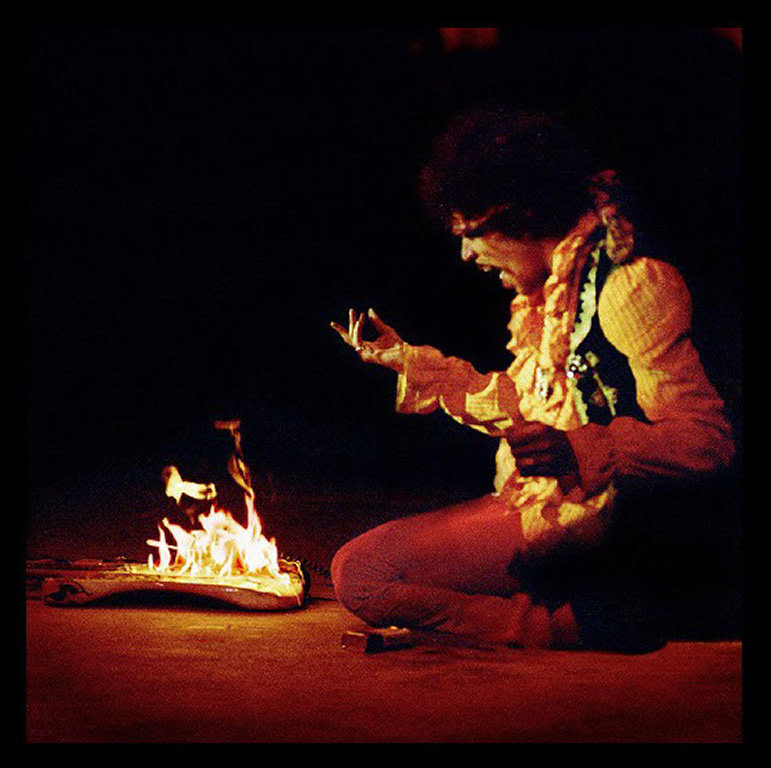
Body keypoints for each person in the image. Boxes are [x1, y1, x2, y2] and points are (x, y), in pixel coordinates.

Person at [329, 105, 735, 651]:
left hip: (619, 525)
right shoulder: (550, 294)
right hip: (552, 508)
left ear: (518, 215)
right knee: (361, 568)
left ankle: (555, 624)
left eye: (471, 232)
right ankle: (585, 610)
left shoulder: (631, 286)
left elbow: (707, 441)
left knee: (363, 575)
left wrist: (583, 448)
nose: (467, 254)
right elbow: (529, 404)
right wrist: (407, 360)